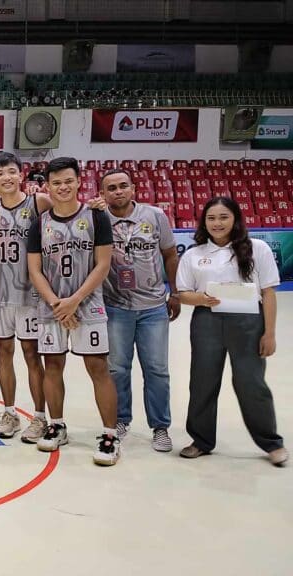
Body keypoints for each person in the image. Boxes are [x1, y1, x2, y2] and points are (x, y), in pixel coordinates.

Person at [175, 196, 286, 466]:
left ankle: (271, 442)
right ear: (204, 222)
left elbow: (268, 293)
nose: (217, 223)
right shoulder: (194, 254)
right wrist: (201, 299)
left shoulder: (257, 249)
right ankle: (201, 440)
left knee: (251, 383)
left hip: (248, 323)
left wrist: (269, 333)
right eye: (211, 218)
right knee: (202, 381)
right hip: (207, 322)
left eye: (224, 217)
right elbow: (183, 294)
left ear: (235, 218)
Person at [25, 156, 120, 466]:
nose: (63, 187)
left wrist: (75, 300)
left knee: (97, 367)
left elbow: (103, 265)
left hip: (88, 305)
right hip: (52, 306)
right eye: (56, 183)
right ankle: (57, 424)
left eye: (68, 181)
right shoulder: (40, 223)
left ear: (79, 181)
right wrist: (57, 303)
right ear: (47, 186)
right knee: (52, 365)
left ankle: (109, 434)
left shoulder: (96, 217)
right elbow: (35, 271)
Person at [99, 168, 180, 452]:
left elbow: (170, 254)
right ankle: (121, 420)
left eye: (123, 186)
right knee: (118, 368)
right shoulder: (98, 218)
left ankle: (160, 427)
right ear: (102, 193)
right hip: (115, 307)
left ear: (133, 188)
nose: (118, 191)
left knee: (157, 369)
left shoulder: (155, 216)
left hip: (153, 306)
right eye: (111, 188)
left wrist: (177, 293)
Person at [0, 152, 51, 442]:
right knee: (3, 353)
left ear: (21, 174)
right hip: (0, 294)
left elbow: (71, 214)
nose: (6, 178)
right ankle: (9, 412)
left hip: (30, 295)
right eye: (0, 173)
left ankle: (39, 417)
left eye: (11, 171)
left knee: (32, 355)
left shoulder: (39, 202)